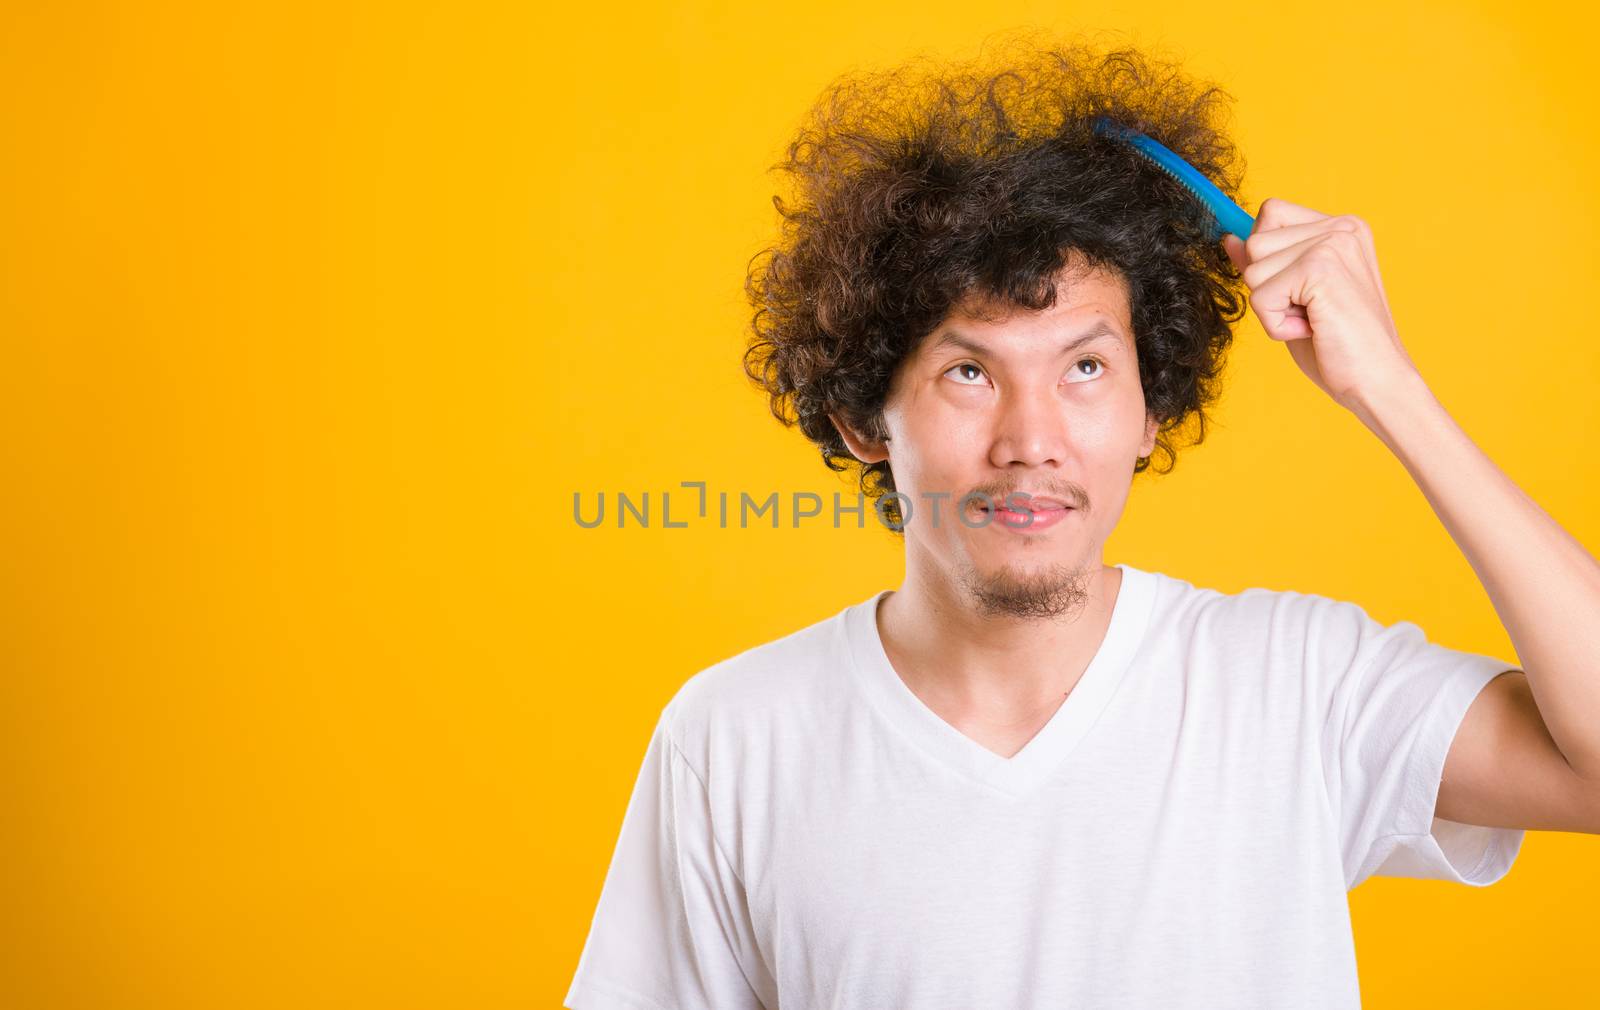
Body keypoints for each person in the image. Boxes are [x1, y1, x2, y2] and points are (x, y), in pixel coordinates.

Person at [564, 34, 1600, 1009]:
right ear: (861, 417)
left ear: (1153, 410)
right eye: (969, 371)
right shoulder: (732, 739)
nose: (1032, 438)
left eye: (1086, 367)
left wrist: (1391, 387)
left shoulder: (1297, 685)